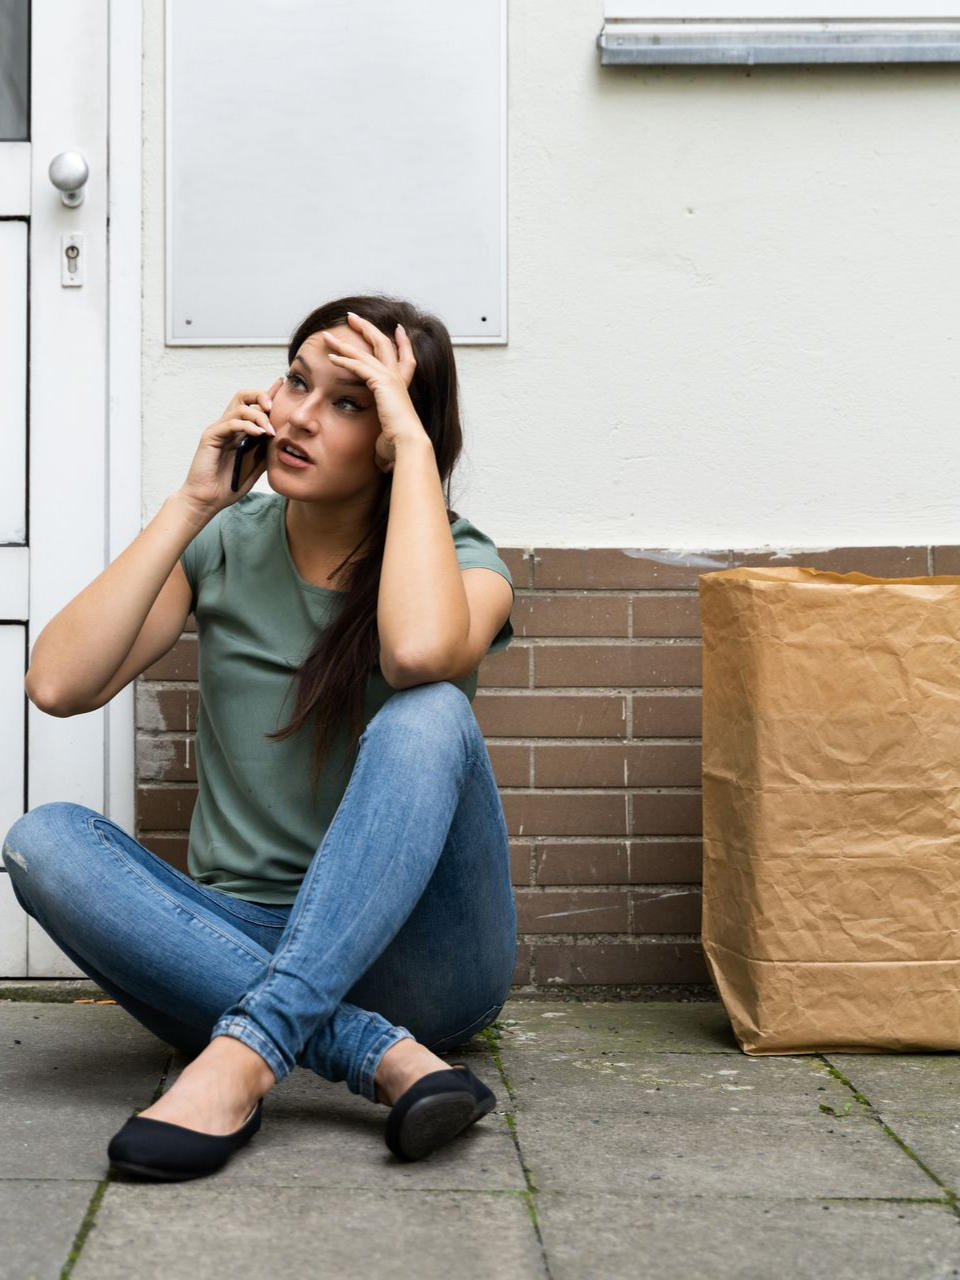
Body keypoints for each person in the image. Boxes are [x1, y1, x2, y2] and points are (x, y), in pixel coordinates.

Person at [2, 294, 517, 1180]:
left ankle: (246, 1057)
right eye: (297, 382)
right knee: (41, 839)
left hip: (420, 961)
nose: (301, 417)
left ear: (396, 436)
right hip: (226, 949)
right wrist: (191, 504)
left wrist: (419, 453)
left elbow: (419, 651)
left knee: (431, 705)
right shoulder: (227, 544)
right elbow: (56, 683)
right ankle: (374, 1055)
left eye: (351, 403)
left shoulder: (466, 565)